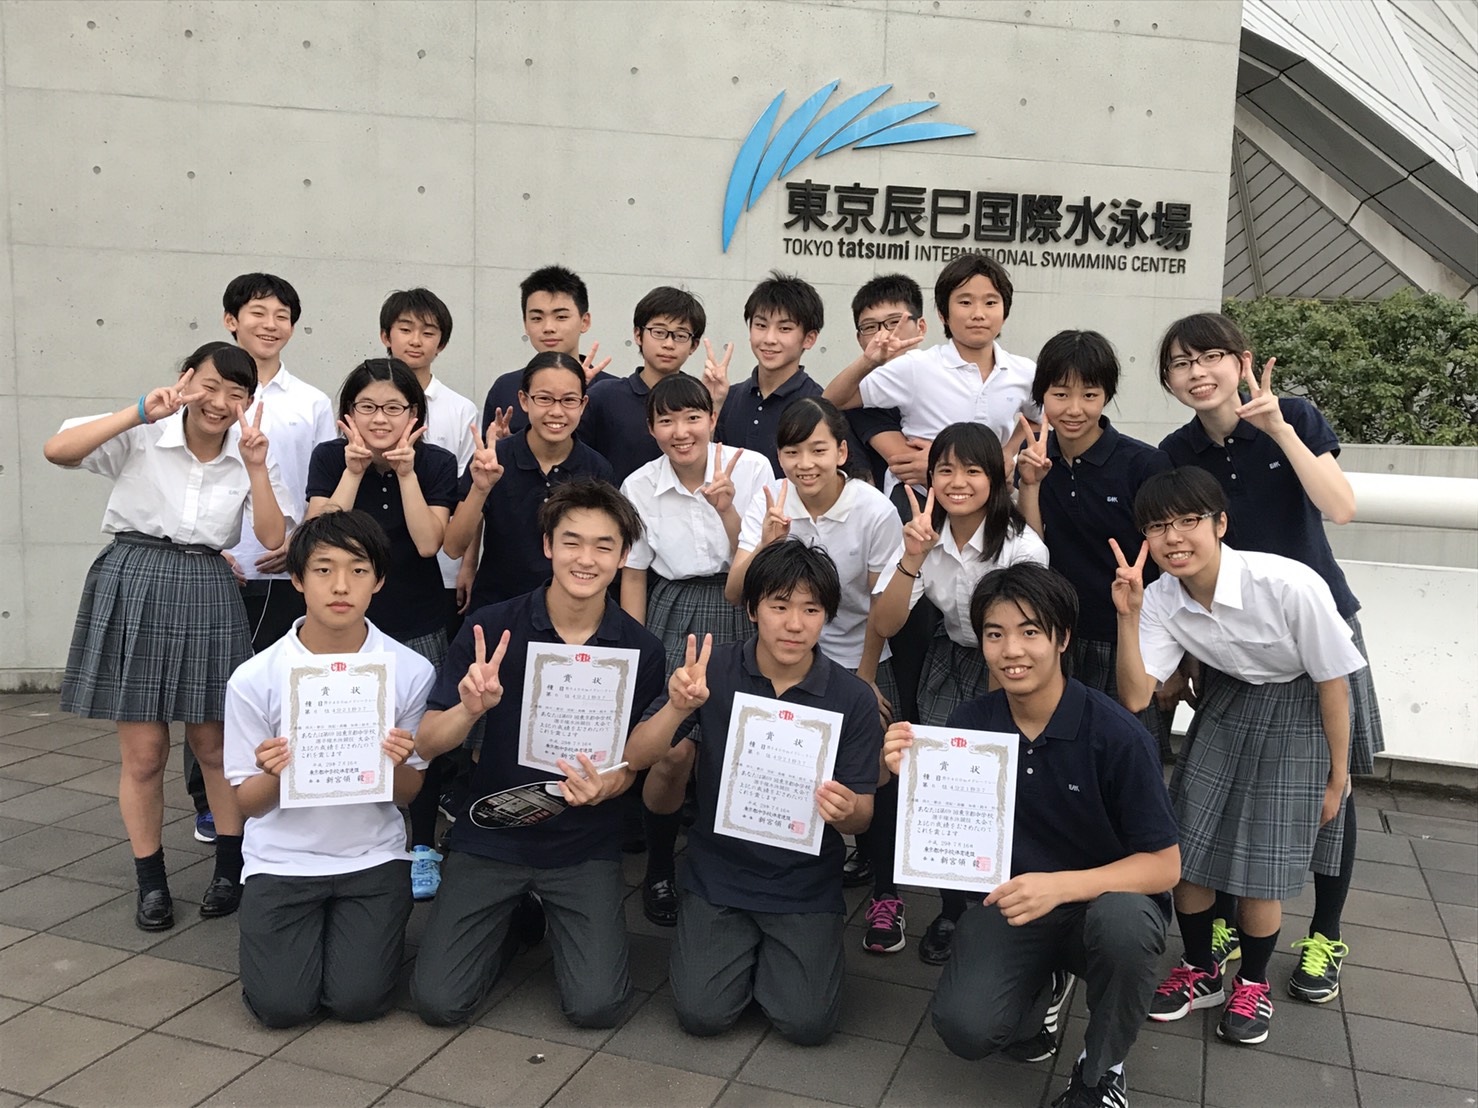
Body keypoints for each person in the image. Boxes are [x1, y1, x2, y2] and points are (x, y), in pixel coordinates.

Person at [884, 563, 1180, 1108]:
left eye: (1029, 632)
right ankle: (1044, 985)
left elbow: (1165, 866)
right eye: (995, 634)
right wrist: (909, 776)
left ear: (1062, 639)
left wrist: (1061, 886)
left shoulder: (1117, 735)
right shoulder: (970, 725)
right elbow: (946, 836)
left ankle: (1102, 1070)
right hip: (1013, 903)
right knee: (967, 1028)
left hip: (1102, 904)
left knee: (1125, 926)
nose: (1011, 650)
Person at [1155, 311, 1382, 1003]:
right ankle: (1226, 930)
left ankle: (1325, 935)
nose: (1197, 372)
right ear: (1168, 380)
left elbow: (1340, 507)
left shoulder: (1297, 418)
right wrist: (1185, 649)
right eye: (1181, 363)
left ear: (1242, 360)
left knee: (1332, 792)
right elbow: (1174, 545)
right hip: (1230, 636)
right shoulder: (1176, 450)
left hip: (1318, 627)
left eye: (1210, 357)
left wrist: (1279, 428)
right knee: (1229, 790)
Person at [1113, 467, 1366, 1047]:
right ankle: (1200, 969)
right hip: (1229, 699)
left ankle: (1253, 983)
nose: (1174, 537)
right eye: (1157, 527)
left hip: (1300, 701)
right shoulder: (1159, 598)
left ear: (1220, 524)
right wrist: (1127, 615)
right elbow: (1135, 695)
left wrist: (1338, 776)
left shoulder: (1288, 583)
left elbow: (1333, 683)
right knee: (1186, 849)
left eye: (1188, 521)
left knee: (1260, 865)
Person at [45, 342, 291, 930]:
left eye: (236, 393)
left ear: (249, 402)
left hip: (207, 583)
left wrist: (256, 466)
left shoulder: (251, 450)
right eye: (209, 385)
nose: (220, 402)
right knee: (145, 754)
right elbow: (58, 450)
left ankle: (229, 868)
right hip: (134, 576)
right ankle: (151, 882)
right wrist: (137, 411)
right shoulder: (145, 431)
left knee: (215, 746)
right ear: (185, 380)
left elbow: (272, 536)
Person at [412, 480, 665, 1028]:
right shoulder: (491, 629)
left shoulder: (640, 649)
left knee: (596, 1006)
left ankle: (533, 914)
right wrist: (469, 711)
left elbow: (630, 766)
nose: (586, 559)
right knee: (437, 1002)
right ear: (548, 545)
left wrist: (608, 785)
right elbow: (426, 742)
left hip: (583, 842)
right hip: (493, 833)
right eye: (572, 541)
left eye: (603, 546)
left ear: (623, 556)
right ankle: (513, 923)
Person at [624, 540, 882, 1045]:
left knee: (807, 1024)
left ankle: (775, 960)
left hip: (804, 881)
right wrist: (677, 708)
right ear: (752, 609)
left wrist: (848, 810)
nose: (794, 624)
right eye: (779, 606)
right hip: (720, 872)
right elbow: (636, 755)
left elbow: (863, 816)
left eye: (811, 610)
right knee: (701, 1015)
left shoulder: (851, 696)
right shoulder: (712, 671)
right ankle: (747, 955)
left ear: (827, 617)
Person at [224, 511, 434, 1028]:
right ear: (297, 579)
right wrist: (275, 773)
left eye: (358, 570)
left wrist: (394, 762)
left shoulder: (409, 671)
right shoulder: (255, 677)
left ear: (378, 581)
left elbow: (408, 793)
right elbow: (247, 803)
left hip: (371, 858)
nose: (341, 586)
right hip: (283, 862)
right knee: (281, 1007)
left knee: (358, 1002)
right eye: (323, 570)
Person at [868, 423, 1048, 962]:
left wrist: (995, 713)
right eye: (945, 470)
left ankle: (1003, 910)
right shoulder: (926, 535)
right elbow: (886, 621)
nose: (957, 482)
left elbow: (1018, 639)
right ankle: (952, 909)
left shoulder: (1022, 547)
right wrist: (912, 559)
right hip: (951, 661)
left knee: (1002, 786)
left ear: (996, 477)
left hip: (1015, 668)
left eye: (972, 470)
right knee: (945, 788)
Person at [618, 374, 773, 925]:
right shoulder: (639, 484)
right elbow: (633, 573)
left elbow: (761, 555)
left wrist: (727, 509)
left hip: (743, 604)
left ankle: (728, 864)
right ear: (651, 428)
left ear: (712, 418)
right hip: (675, 610)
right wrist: (635, 653)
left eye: (691, 417)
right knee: (673, 750)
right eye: (666, 420)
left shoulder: (752, 468)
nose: (680, 431)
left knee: (740, 745)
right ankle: (660, 866)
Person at [185, 274, 333, 845]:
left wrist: (300, 546)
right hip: (215, 565)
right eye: (257, 312)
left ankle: (272, 788)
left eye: (282, 316)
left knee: (276, 683)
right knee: (209, 688)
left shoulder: (311, 401)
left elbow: (320, 482)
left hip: (282, 565)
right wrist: (207, 548)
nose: (270, 325)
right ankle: (208, 801)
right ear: (231, 320)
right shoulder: (203, 393)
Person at [1015, 330, 1175, 757]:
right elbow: (1032, 552)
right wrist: (1029, 485)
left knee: (1130, 759)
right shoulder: (1034, 461)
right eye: (1060, 394)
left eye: (1089, 395)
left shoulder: (1144, 464)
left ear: (1107, 396)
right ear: (1041, 396)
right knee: (1059, 760)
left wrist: (1179, 660)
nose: (1074, 409)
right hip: (1060, 640)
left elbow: (1173, 562)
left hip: (1130, 640)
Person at [379, 288, 480, 897]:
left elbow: (470, 500)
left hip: (433, 577)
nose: (416, 340)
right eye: (405, 328)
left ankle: (422, 836)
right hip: (363, 594)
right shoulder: (351, 428)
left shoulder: (456, 417)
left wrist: (466, 562)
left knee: (424, 709)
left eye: (428, 331)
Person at [725, 397, 903, 724]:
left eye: (818, 450)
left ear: (841, 452)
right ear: (779, 456)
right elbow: (734, 593)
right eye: (792, 452)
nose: (805, 464)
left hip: (857, 657)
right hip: (783, 653)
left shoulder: (875, 510)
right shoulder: (770, 501)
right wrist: (766, 545)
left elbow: (879, 602)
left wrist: (865, 679)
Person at [306, 359, 459, 665]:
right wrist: (352, 473)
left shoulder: (437, 462)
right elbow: (314, 542)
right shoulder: (329, 457)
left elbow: (428, 545)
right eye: (367, 407)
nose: (379, 419)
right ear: (349, 412)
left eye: (393, 408)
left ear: (413, 413)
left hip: (417, 620)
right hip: (343, 621)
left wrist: (406, 475)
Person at [822, 255, 1039, 466]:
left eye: (990, 302)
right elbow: (831, 401)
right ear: (943, 314)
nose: (978, 314)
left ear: (1005, 312)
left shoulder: (1025, 371)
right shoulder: (916, 366)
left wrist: (1007, 452)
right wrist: (868, 362)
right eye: (965, 302)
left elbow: (1041, 418)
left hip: (988, 489)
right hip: (918, 488)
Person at [447, 352, 614, 613]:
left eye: (569, 400)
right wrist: (480, 489)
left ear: (583, 404)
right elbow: (453, 547)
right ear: (524, 400)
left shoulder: (597, 468)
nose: (556, 411)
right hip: (498, 608)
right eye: (544, 398)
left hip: (569, 613)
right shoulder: (495, 458)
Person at [580, 286, 713, 485]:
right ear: (638, 335)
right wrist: (571, 393)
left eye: (680, 335)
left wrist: (716, 401)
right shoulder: (605, 396)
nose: (668, 344)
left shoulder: (699, 400)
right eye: (659, 332)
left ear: (693, 345)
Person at [711, 271, 829, 476]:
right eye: (761, 325)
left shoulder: (820, 404)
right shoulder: (728, 398)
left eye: (784, 328)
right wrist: (713, 404)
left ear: (809, 339)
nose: (769, 339)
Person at [480, 265, 614, 437]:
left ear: (584, 321)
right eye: (537, 318)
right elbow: (488, 447)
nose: (548, 327)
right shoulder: (505, 388)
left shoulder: (611, 392)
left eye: (561, 317)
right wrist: (507, 446)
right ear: (525, 324)